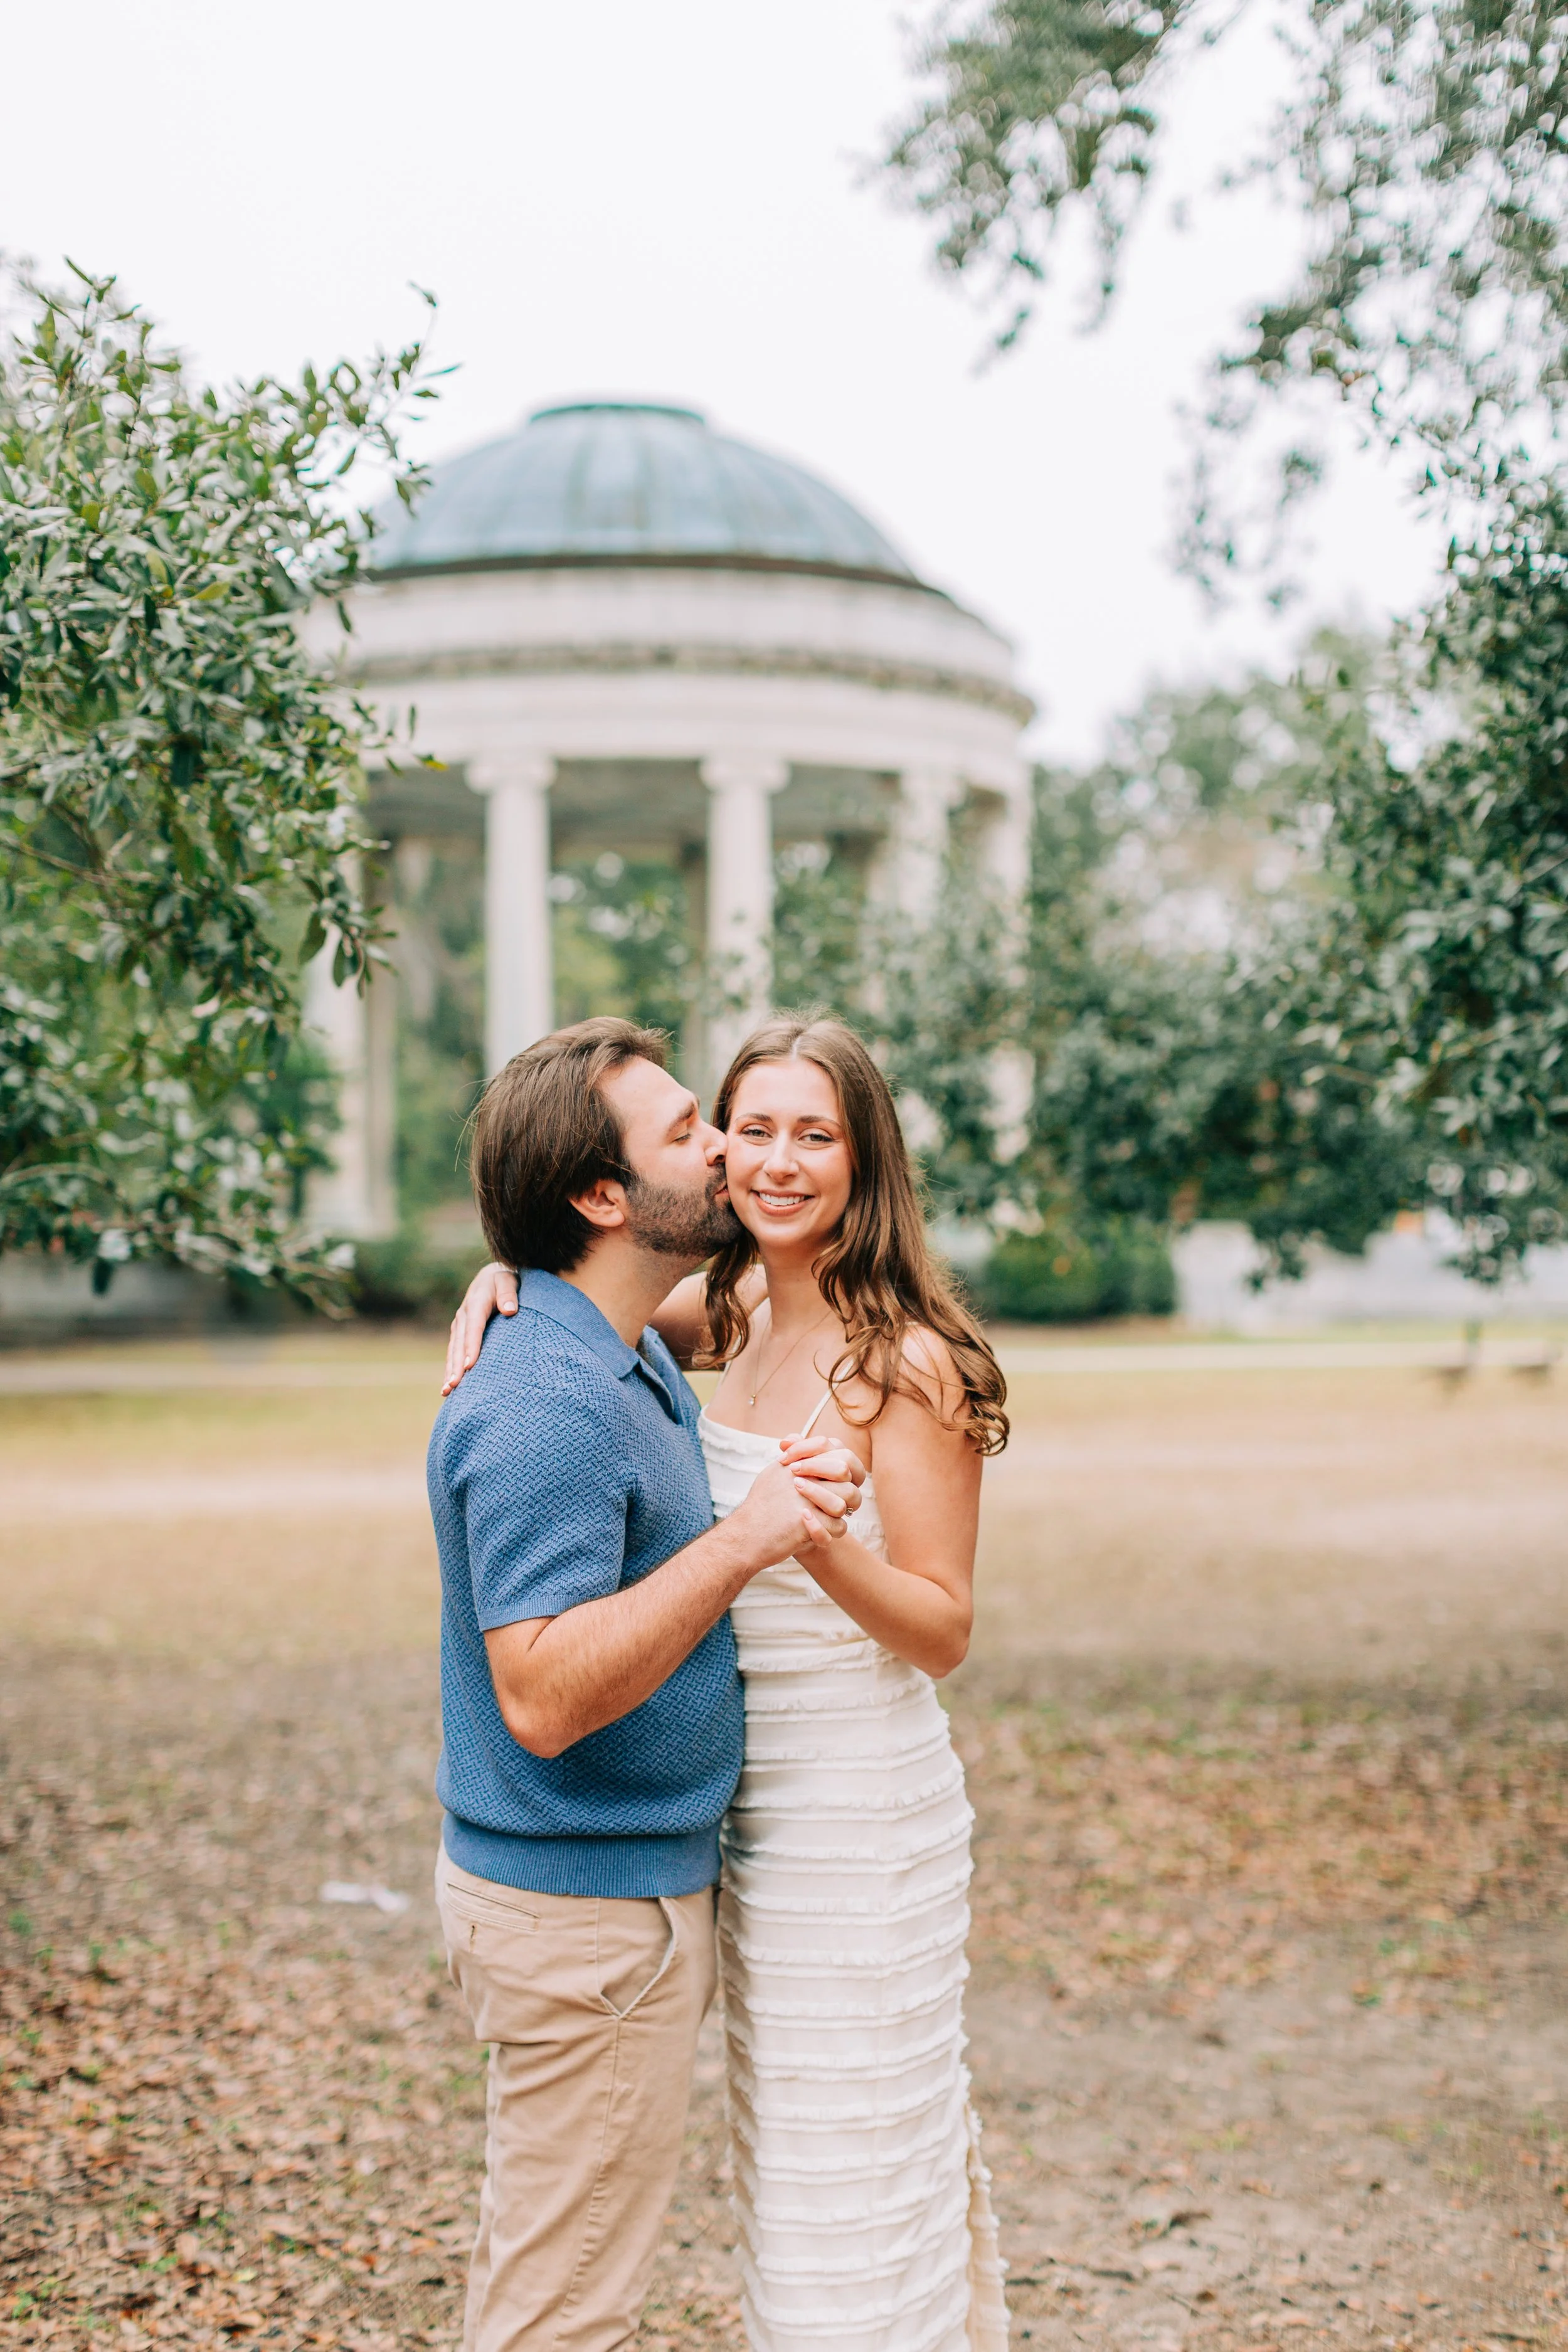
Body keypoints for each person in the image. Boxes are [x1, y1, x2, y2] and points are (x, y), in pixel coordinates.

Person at [448, 1013, 1012, 2352]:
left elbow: (942, 1629)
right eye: (745, 1127)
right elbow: (585, 1297)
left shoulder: (908, 1362)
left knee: (856, 2147)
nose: (768, 1160)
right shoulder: (727, 1311)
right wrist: (499, 1275)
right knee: (794, 2152)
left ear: (864, 1160)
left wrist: (811, 1544)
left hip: (858, 1806)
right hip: (742, 1815)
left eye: (814, 1135)